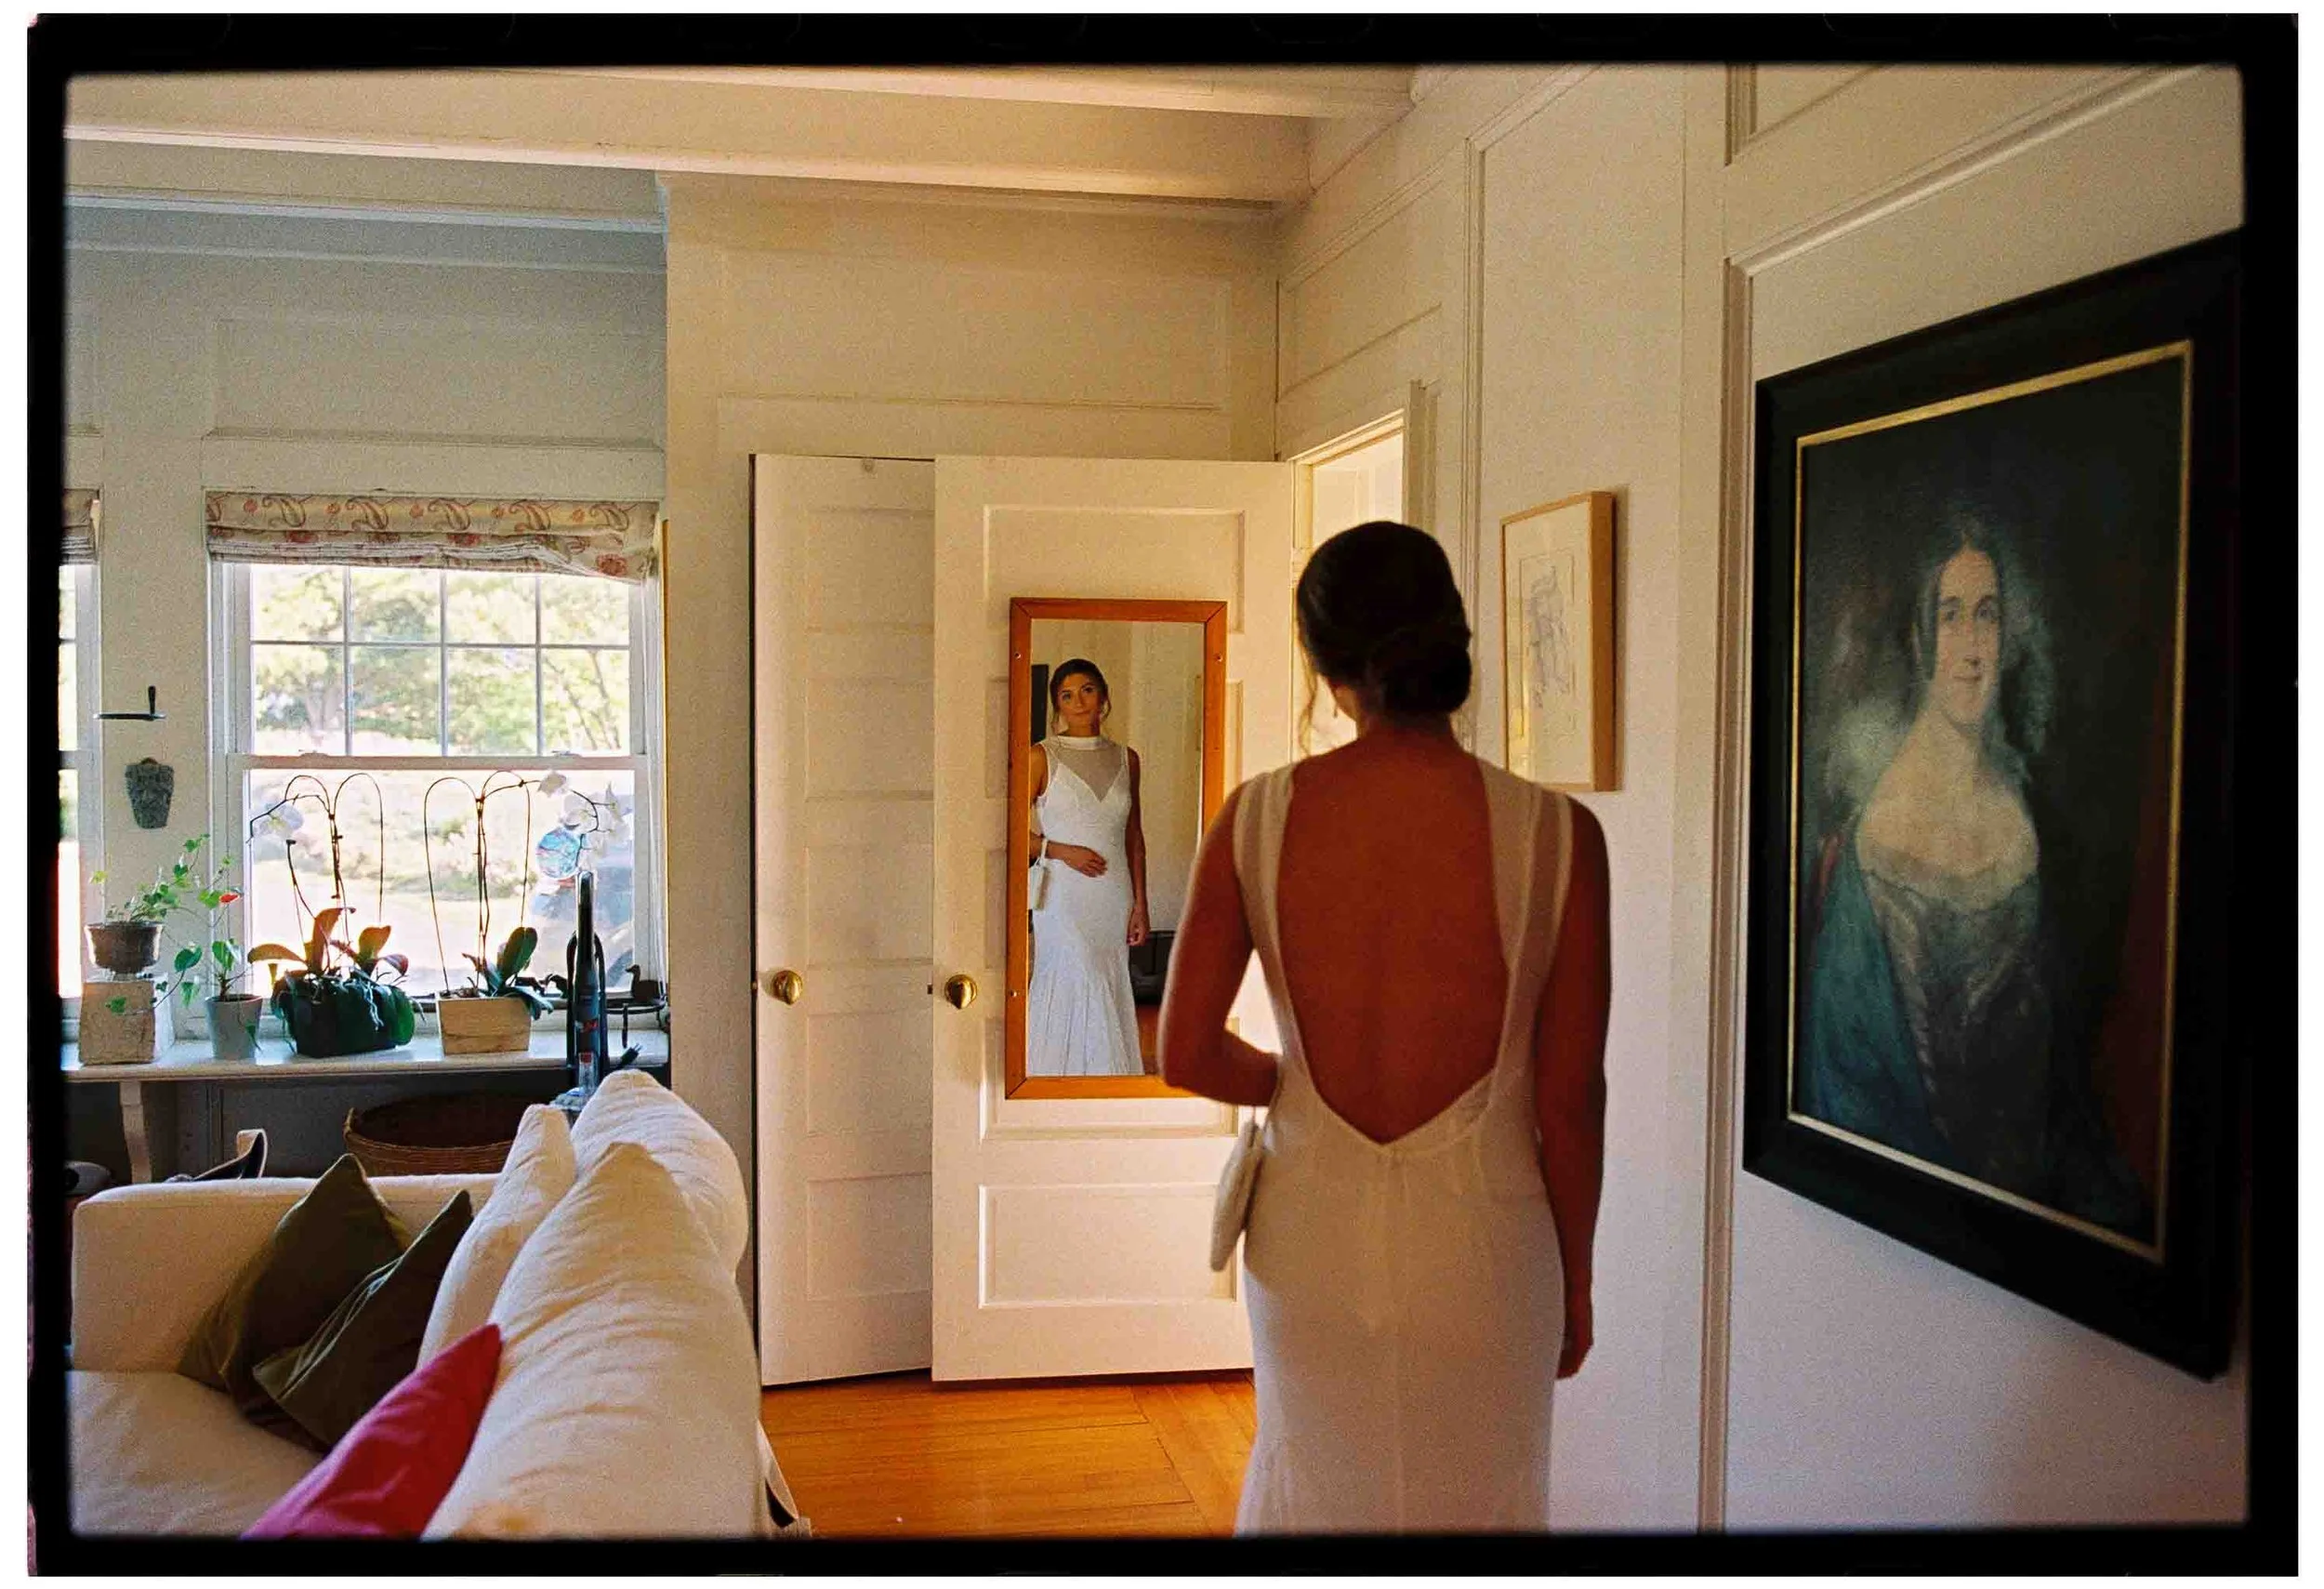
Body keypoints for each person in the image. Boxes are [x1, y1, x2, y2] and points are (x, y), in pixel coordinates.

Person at [1156, 521, 1611, 1533]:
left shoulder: (1256, 816)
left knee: (1311, 1493)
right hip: (1486, 1241)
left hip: (1309, 1235)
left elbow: (1182, 1049)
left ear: (1323, 665)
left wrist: (1285, 1082)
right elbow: (1570, 1098)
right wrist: (1574, 1276)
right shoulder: (1557, 834)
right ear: (1452, 637)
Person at [1798, 520, 2145, 1231]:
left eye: (1987, 614)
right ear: (1922, 637)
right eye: (1950, 615)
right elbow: (1846, 1082)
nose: (1971, 647)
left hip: (2030, 1208)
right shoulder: (1876, 832)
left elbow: (2055, 1072)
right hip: (1904, 1212)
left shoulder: (2032, 819)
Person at [1025, 659, 1151, 1078]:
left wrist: (1141, 905)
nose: (1078, 701)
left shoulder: (1126, 758)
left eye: (1087, 690)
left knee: (1107, 979)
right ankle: (1052, 1080)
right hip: (1063, 894)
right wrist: (1059, 850)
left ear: (1103, 696)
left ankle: (1107, 1085)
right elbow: (1005, 832)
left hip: (1113, 896)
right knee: (1073, 973)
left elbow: (1134, 837)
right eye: (1066, 694)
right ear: (1057, 705)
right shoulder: (1042, 756)